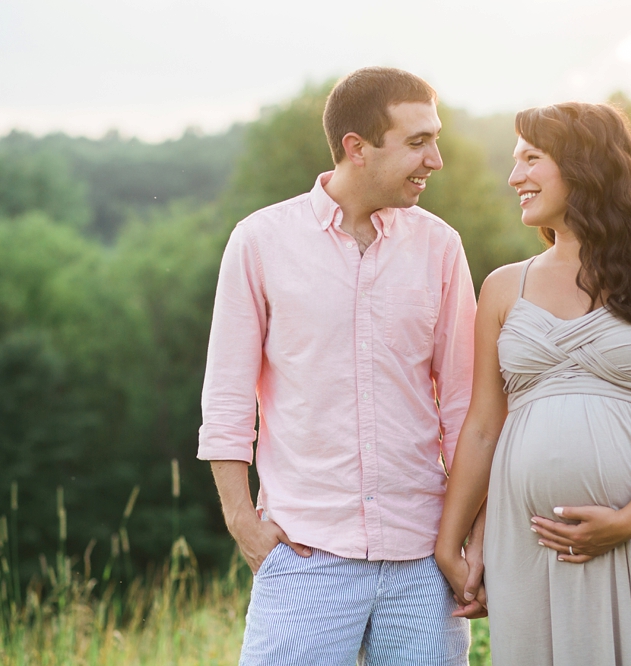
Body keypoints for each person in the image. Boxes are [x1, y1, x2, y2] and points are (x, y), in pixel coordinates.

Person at [197, 67, 482, 666]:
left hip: (422, 562)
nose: (436, 158)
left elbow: (464, 406)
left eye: (435, 138)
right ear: (357, 147)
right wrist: (243, 522)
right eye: (417, 142)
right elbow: (226, 398)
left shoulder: (441, 246)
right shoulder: (260, 242)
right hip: (305, 558)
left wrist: (470, 534)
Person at [435, 102, 631, 665]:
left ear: (585, 165)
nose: (515, 176)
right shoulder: (502, 287)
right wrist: (455, 539)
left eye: (532, 159)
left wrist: (628, 519)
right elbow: (482, 428)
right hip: (525, 540)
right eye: (515, 160)